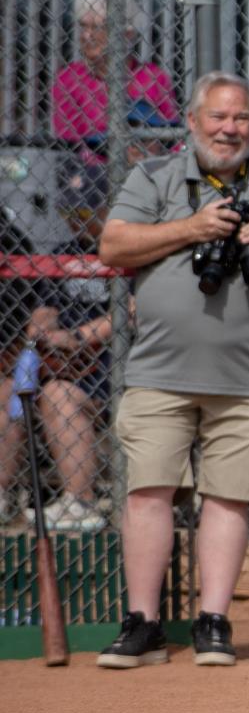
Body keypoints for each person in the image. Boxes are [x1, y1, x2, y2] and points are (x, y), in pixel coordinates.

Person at [93, 71, 249, 669]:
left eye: (241, 118)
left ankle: (213, 622)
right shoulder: (156, 178)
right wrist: (193, 229)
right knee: (148, 491)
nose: (230, 129)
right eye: (218, 117)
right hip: (159, 371)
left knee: (230, 497)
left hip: (248, 377)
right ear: (192, 122)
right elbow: (113, 247)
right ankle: (142, 624)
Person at [0, 168, 115, 531]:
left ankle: (81, 502)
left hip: (107, 373)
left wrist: (79, 337)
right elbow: (45, 308)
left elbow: (132, 312)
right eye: (70, 213)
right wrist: (42, 328)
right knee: (8, 390)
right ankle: (1, 496)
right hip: (64, 363)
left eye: (86, 212)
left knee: (58, 395)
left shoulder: (127, 248)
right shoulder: (64, 253)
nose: (76, 221)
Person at [51, 0, 178, 159]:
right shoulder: (69, 80)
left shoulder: (154, 78)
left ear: (127, 33)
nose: (87, 35)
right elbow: (68, 149)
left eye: (97, 27)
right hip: (91, 176)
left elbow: (173, 139)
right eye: (83, 26)